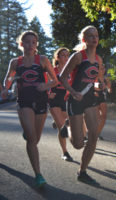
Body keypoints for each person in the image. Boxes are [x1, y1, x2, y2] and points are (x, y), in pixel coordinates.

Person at [1, 30, 58, 188]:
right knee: (33, 140)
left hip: (41, 100)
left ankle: (28, 131)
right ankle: (38, 174)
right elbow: (8, 78)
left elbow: (55, 80)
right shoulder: (15, 62)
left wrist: (45, 85)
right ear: (21, 44)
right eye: (27, 42)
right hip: (24, 100)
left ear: (36, 45)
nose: (30, 45)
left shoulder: (43, 60)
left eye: (33, 42)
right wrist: (8, 86)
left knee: (35, 138)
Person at [59, 25, 103, 184]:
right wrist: (72, 91)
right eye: (90, 36)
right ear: (84, 40)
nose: (94, 38)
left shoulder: (98, 59)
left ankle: (82, 171)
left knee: (93, 134)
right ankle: (68, 125)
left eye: (96, 35)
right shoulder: (78, 57)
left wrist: (99, 86)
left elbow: (95, 80)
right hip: (75, 99)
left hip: (90, 99)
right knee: (78, 144)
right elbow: (62, 77)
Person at [48, 47, 73, 161]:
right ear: (57, 57)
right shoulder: (52, 70)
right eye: (63, 55)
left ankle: (56, 120)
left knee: (70, 123)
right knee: (62, 127)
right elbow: (46, 82)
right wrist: (48, 93)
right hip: (55, 96)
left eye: (67, 55)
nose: (66, 57)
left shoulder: (71, 70)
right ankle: (65, 152)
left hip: (66, 98)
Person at [94, 63, 112, 140]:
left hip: (102, 97)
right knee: (97, 118)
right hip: (94, 97)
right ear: (97, 70)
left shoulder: (106, 78)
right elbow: (93, 86)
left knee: (104, 116)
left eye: (104, 68)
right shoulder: (94, 78)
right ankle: (93, 132)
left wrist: (109, 88)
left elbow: (109, 88)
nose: (103, 70)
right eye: (101, 68)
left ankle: (98, 132)